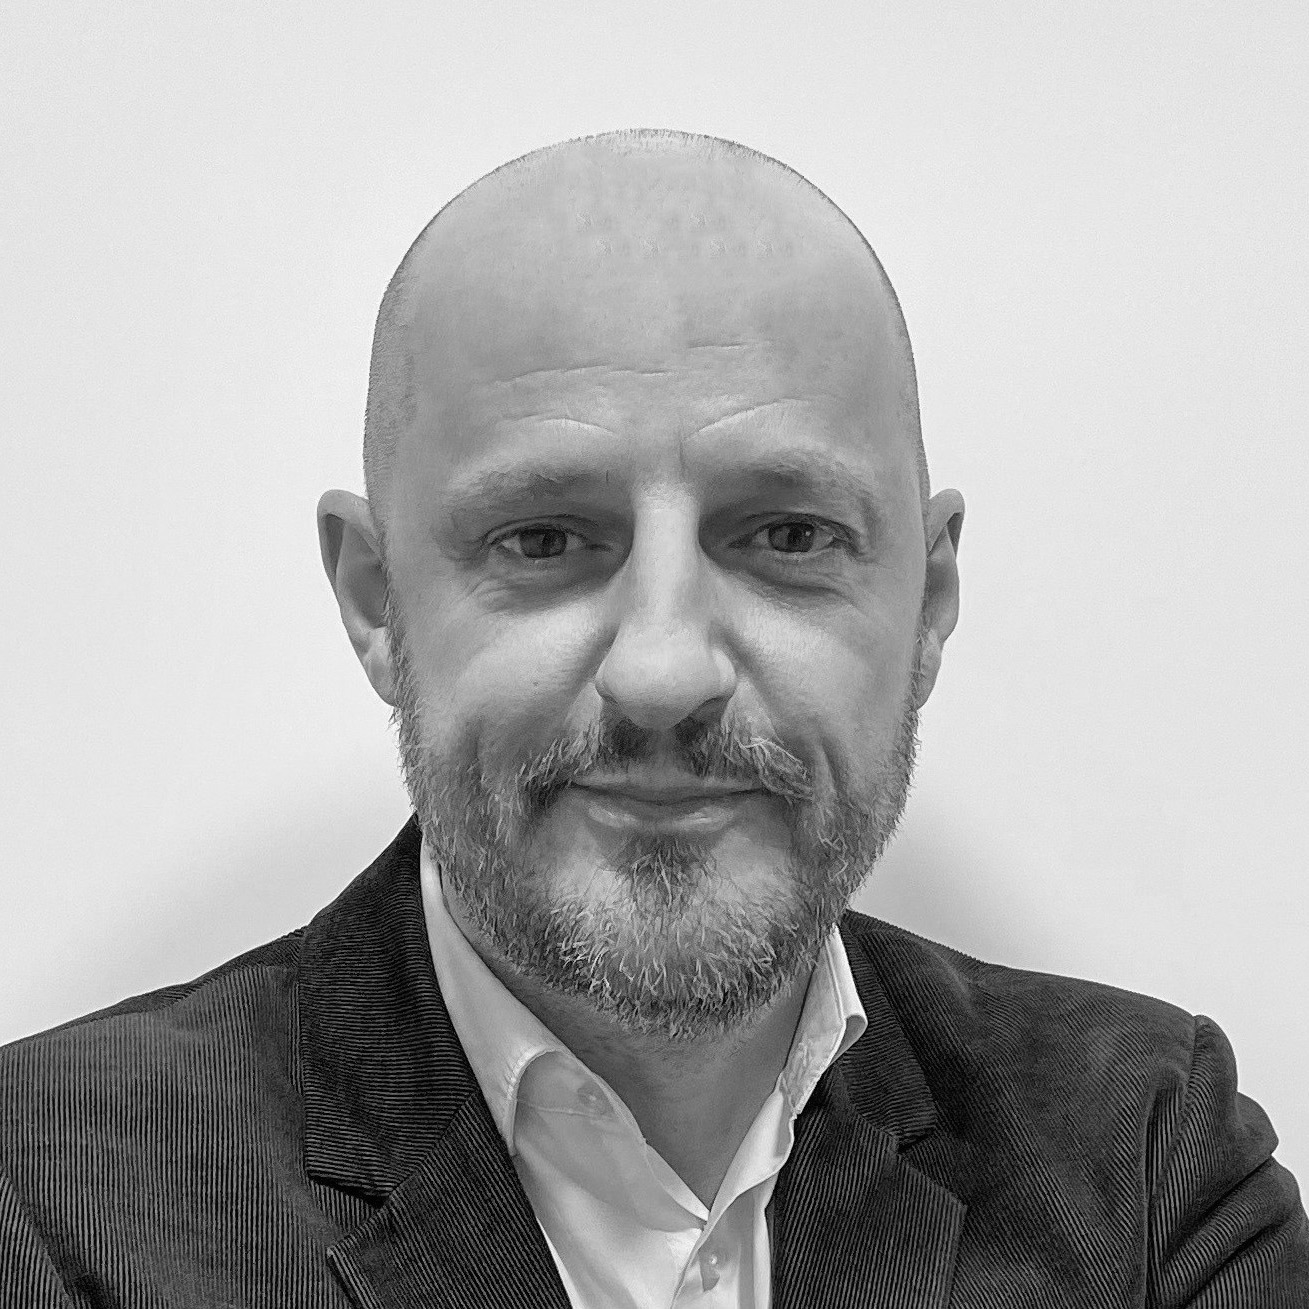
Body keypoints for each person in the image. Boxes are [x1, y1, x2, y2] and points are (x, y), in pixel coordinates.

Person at [2, 129, 1305, 1308]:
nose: (666, 669)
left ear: (928, 602)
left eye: (788, 534)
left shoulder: (1144, 1159)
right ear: (378, 600)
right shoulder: (45, 1205)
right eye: (543, 538)